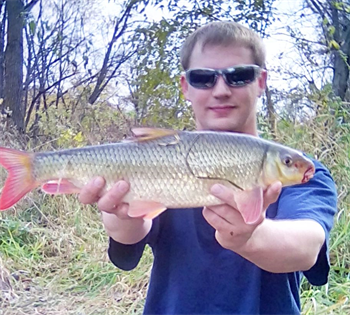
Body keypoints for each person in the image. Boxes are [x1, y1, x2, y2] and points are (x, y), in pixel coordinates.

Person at [78, 21, 337, 315]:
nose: (221, 90)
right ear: (185, 87)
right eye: (203, 78)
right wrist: (118, 215)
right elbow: (130, 239)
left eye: (239, 76)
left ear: (261, 82)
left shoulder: (298, 171)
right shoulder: (163, 157)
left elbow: (306, 249)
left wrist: (251, 237)